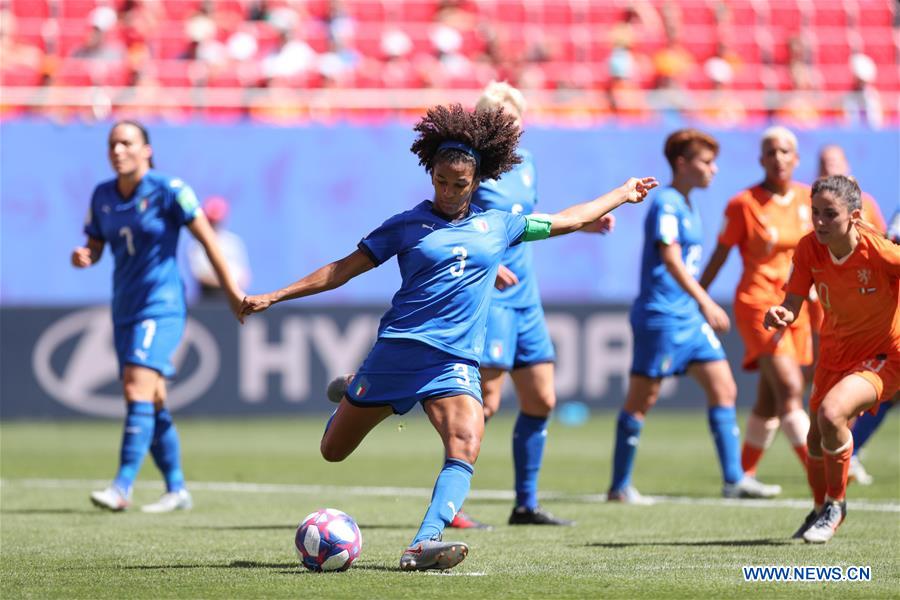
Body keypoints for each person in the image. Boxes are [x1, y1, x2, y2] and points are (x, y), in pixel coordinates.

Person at [239, 103, 657, 571]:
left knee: (465, 443)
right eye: (442, 182)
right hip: (398, 351)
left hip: (453, 361)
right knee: (332, 452)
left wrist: (622, 192)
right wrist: (273, 296)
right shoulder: (406, 225)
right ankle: (356, 388)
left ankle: (423, 543)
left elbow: (570, 219)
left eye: (459, 185)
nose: (450, 192)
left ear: (475, 183)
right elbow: (340, 271)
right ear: (431, 175)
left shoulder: (500, 225)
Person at [445, 81, 616, 529]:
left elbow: (527, 220)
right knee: (485, 403)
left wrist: (581, 225)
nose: (512, 122)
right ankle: (451, 504)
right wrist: (488, 260)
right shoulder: (470, 168)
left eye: (517, 115)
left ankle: (525, 505)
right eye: (502, 115)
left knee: (542, 398)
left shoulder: (528, 163)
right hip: (491, 297)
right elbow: (453, 223)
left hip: (526, 297)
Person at [71, 120, 244, 513]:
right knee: (153, 398)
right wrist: (85, 256)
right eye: (112, 144)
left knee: (136, 388)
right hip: (125, 307)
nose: (118, 150)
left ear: (146, 149)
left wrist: (232, 292)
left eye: (126, 143)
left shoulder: (169, 190)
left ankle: (122, 486)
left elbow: (207, 239)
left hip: (161, 304)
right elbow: (96, 246)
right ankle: (177, 489)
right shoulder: (102, 196)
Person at [607, 129, 780, 504]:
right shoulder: (666, 202)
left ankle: (734, 480)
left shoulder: (688, 204)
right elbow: (669, 258)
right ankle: (619, 486)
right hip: (663, 317)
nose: (713, 169)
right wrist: (705, 300)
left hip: (687, 317)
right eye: (706, 162)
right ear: (682, 164)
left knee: (724, 388)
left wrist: (698, 304)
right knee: (642, 400)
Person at [764, 175, 900, 543]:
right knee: (814, 443)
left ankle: (835, 506)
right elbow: (791, 303)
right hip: (835, 355)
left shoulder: (883, 253)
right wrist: (781, 314)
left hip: (883, 355)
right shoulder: (809, 248)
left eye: (830, 214)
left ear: (854, 216)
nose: (819, 222)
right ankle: (819, 508)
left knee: (832, 413)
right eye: (815, 213)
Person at [700, 126, 812, 482]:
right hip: (759, 304)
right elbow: (720, 254)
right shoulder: (743, 204)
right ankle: (823, 476)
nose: (778, 158)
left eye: (784, 151)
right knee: (791, 389)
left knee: (769, 398)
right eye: (770, 151)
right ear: (760, 158)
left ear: (796, 158)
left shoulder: (810, 199)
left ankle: (741, 474)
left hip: (797, 305)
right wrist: (698, 295)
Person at [815, 144, 891, 485]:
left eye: (835, 166)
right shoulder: (815, 216)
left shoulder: (868, 213)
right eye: (824, 166)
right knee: (817, 409)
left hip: (878, 327)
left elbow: (884, 250)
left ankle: (842, 471)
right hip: (835, 321)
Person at [188, 195, 251, 301]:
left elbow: (244, 274)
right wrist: (226, 282)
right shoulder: (197, 245)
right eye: (211, 221)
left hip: (234, 295)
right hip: (209, 298)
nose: (214, 224)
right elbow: (201, 275)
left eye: (216, 221)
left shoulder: (233, 242)